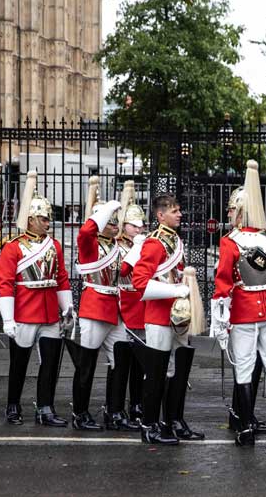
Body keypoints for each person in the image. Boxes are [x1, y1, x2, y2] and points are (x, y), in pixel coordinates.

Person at [210, 160, 266, 447]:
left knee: (245, 369)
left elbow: (222, 281)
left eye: (232, 209)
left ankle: (245, 430)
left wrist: (219, 317)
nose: (229, 214)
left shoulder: (230, 241)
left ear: (241, 210)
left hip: (244, 311)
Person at [0, 170, 74, 427]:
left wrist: (68, 307)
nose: (47, 222)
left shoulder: (54, 245)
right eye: (42, 218)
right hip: (25, 312)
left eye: (48, 217)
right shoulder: (13, 247)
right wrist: (8, 318)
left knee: (50, 364)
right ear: (29, 220)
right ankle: (12, 404)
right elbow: (5, 284)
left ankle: (45, 407)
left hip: (50, 312)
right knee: (19, 364)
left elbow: (61, 278)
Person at [132, 194, 204, 445]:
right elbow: (139, 283)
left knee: (179, 372)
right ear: (160, 215)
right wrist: (176, 291)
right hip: (159, 316)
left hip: (177, 316)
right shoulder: (155, 243)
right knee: (157, 373)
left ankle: (174, 420)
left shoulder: (174, 240)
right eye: (174, 211)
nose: (180, 214)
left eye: (179, 210)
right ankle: (149, 425)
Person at [70, 176, 139, 431]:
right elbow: (86, 231)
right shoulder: (90, 245)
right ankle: (80, 412)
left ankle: (114, 411)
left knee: (119, 363)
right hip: (96, 307)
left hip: (116, 308)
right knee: (86, 364)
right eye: (109, 222)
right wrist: (107, 208)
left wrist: (138, 249)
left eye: (114, 222)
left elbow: (122, 272)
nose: (114, 226)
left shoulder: (116, 246)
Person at [116, 180, 148, 424]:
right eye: (133, 226)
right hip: (122, 300)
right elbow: (120, 271)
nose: (138, 229)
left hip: (141, 303)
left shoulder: (145, 244)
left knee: (140, 360)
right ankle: (115, 406)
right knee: (120, 361)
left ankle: (137, 402)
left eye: (141, 226)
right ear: (123, 225)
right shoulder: (115, 246)